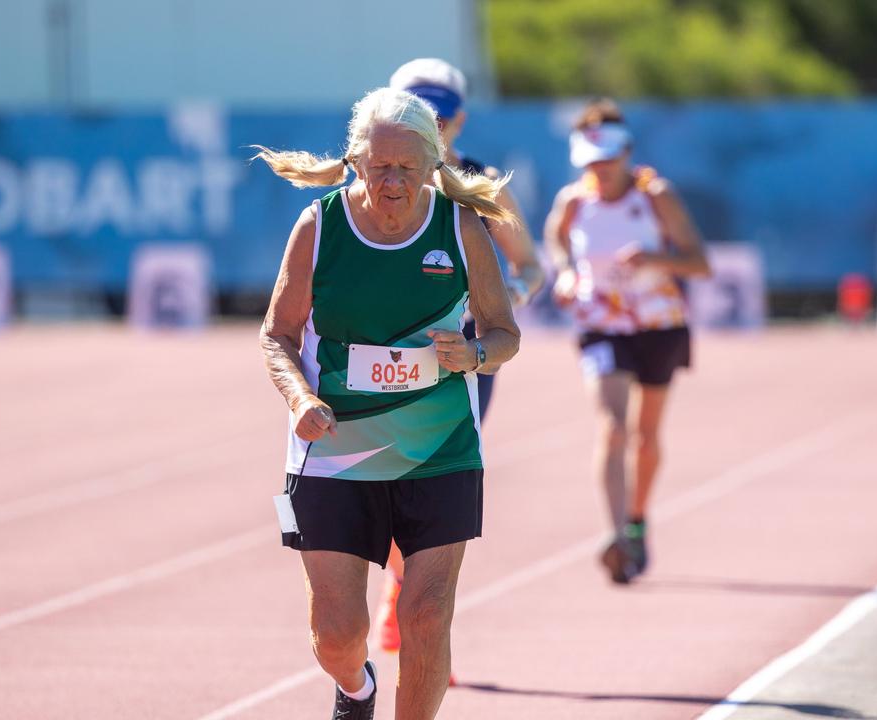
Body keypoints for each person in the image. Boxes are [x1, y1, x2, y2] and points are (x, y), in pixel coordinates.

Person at [255, 87, 521, 720]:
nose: (393, 182)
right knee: (337, 634)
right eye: (380, 168)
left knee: (426, 613)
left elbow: (504, 331)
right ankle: (355, 688)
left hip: (439, 445)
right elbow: (277, 335)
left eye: (408, 168)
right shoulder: (320, 226)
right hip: (334, 449)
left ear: (434, 167)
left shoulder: (459, 227)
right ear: (357, 164)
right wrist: (299, 398)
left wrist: (477, 356)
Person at [376, 57, 547, 660]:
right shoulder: (369, 181)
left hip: (460, 361)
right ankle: (400, 578)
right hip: (378, 356)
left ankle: (410, 597)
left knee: (428, 481)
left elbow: (530, 266)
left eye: (441, 116)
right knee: (378, 480)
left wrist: (501, 303)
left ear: (460, 118)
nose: (434, 128)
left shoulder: (481, 185)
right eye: (418, 114)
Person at [543, 99, 711, 584]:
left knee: (645, 435)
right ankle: (616, 533)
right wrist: (568, 273)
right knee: (612, 427)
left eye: (609, 158)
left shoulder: (656, 196)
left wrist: (655, 259)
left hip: (658, 325)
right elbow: (555, 240)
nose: (601, 169)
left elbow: (700, 262)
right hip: (601, 324)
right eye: (592, 160)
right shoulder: (573, 202)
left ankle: (637, 520)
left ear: (627, 153)